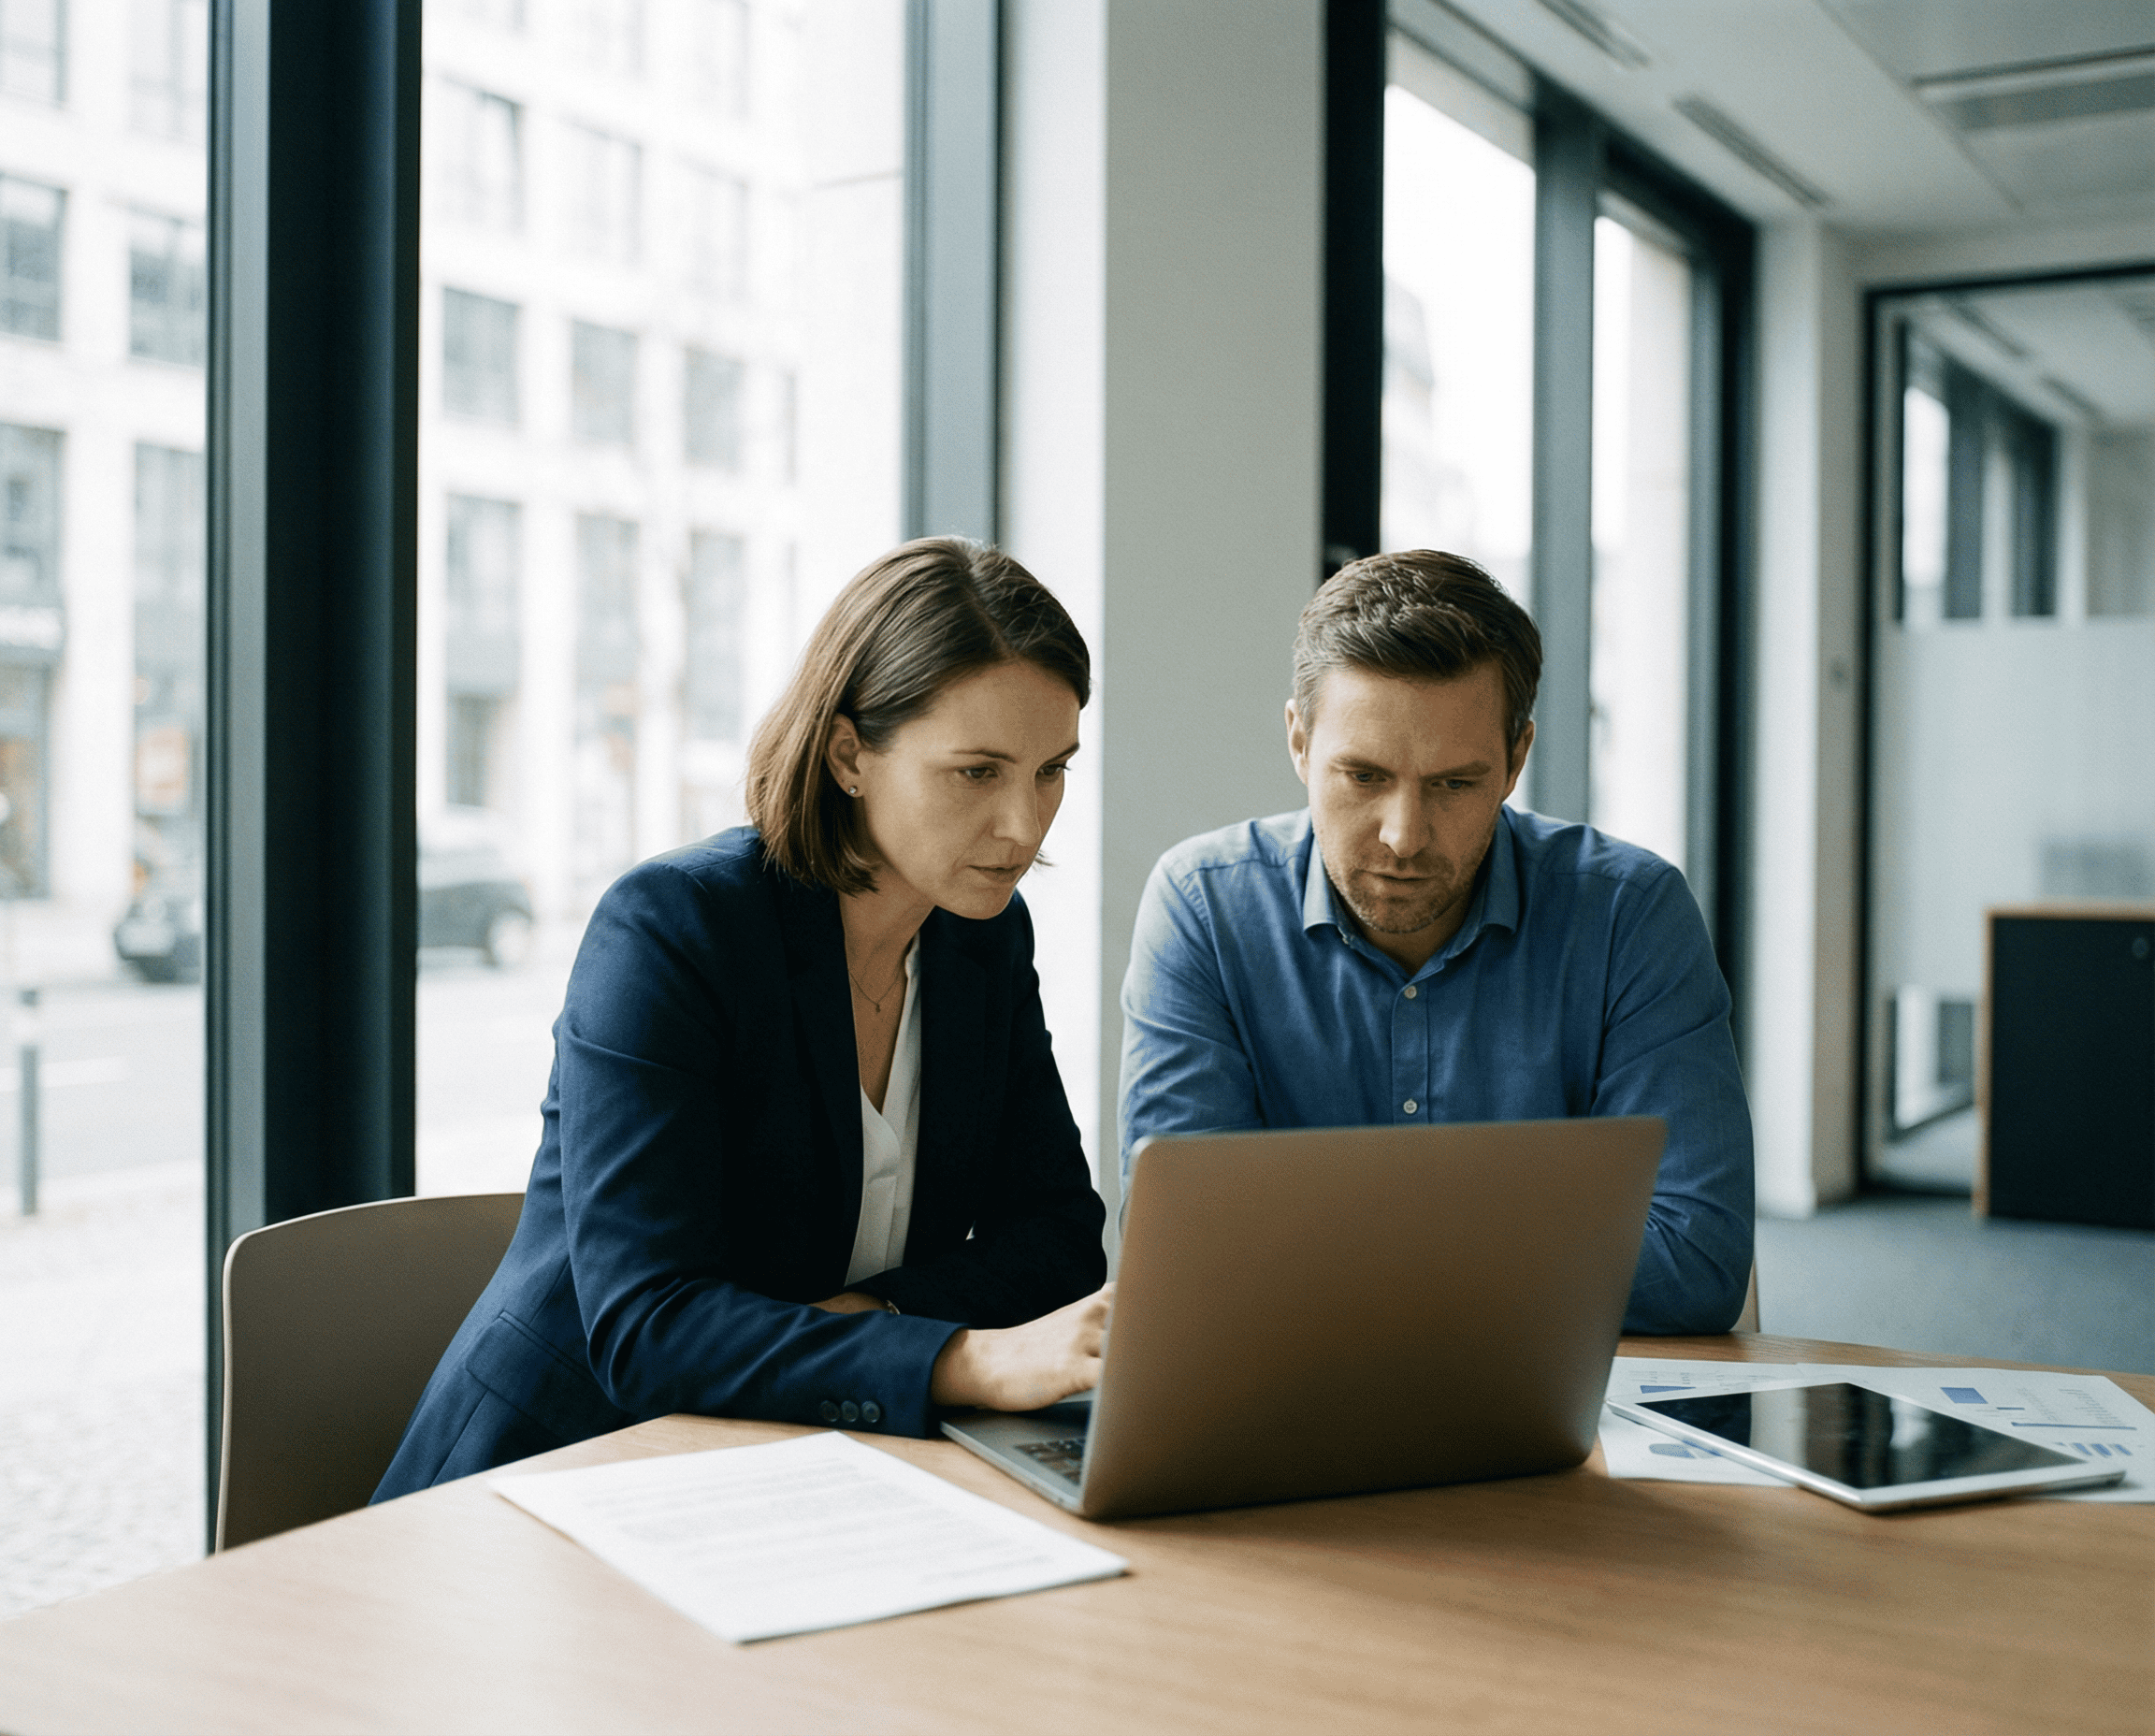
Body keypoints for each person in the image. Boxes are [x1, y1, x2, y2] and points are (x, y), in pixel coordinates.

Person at [376, 538, 1110, 1499]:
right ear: (851, 754)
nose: (1025, 824)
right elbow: (649, 1327)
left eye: (1051, 770)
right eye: (978, 772)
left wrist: (875, 1314)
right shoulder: (674, 929)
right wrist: (957, 1358)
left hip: (802, 1473)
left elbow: (1058, 1238)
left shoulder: (982, 940)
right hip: (561, 1469)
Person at [1117, 550, 1753, 1335]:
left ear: (1516, 759)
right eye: (1363, 777)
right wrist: (1526, 1250)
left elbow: (1697, 1263)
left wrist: (1324, 1247)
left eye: (1454, 784)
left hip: (1572, 1410)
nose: (1405, 837)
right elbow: (1187, 1258)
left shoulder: (1631, 915)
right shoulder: (1205, 909)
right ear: (1299, 743)